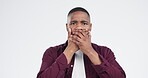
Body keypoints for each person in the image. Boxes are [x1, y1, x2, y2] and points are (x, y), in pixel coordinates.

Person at [37, 7, 126, 78]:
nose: (79, 27)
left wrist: (89, 51)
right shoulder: (52, 52)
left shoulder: (105, 52)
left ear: (90, 27)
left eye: (84, 23)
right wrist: (70, 50)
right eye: (73, 23)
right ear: (67, 26)